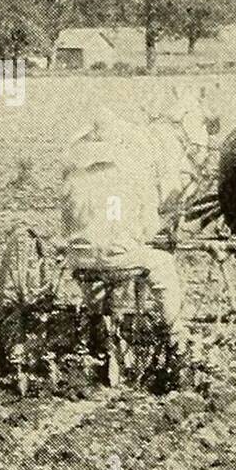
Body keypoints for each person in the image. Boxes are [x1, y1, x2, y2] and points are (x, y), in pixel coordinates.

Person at [61, 107, 197, 361]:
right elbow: (149, 227)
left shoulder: (72, 176)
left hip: (79, 259)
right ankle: (176, 340)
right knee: (163, 265)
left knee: (98, 271)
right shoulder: (132, 174)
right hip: (119, 257)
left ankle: (97, 328)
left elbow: (66, 224)